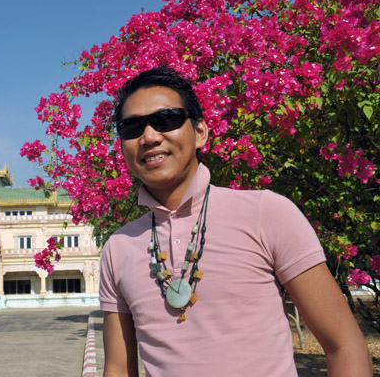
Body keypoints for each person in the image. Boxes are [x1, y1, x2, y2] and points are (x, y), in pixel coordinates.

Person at [99, 66, 372, 376]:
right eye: (131, 128)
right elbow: (118, 368)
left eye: (167, 120)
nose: (148, 137)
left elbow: (344, 345)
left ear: (200, 132)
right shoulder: (118, 248)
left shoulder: (266, 213)